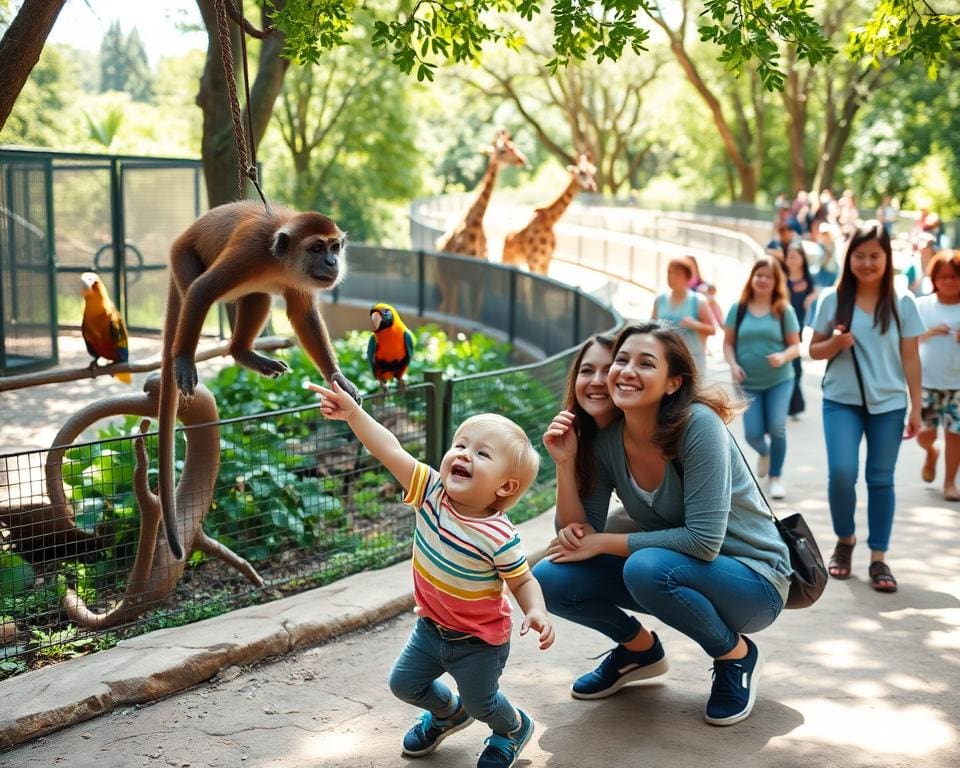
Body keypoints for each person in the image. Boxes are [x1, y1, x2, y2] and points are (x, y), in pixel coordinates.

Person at [533, 322, 792, 727]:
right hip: (680, 570)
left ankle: (736, 655)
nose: (624, 371)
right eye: (622, 360)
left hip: (755, 582)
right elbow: (575, 535)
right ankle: (639, 651)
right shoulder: (606, 442)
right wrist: (565, 464)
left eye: (645, 363)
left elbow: (703, 542)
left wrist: (602, 543)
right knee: (550, 576)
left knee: (647, 566)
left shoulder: (698, 425)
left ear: (673, 383)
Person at [307, 380, 554, 768]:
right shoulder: (430, 492)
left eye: (482, 453)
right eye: (460, 445)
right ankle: (448, 714)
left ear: (505, 486)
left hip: (479, 642)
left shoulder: (499, 536)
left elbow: (522, 580)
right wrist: (353, 413)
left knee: (483, 702)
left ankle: (512, 728)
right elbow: (389, 448)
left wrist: (535, 611)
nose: (464, 454)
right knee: (404, 684)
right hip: (431, 627)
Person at [809, 221, 924, 593]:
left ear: (888, 257)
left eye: (875, 255)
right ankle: (846, 540)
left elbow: (911, 358)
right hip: (841, 399)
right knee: (842, 473)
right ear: (849, 257)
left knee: (880, 479)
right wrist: (836, 344)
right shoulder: (833, 298)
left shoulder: (903, 301)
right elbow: (813, 349)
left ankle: (878, 557)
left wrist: (917, 408)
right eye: (860, 255)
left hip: (889, 403)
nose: (867, 262)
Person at [722, 257, 801, 499]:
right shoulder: (739, 308)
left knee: (777, 427)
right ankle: (765, 452)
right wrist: (733, 365)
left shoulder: (783, 310)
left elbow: (796, 346)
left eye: (768, 276)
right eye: (759, 275)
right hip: (748, 383)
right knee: (753, 434)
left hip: (779, 379)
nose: (763, 280)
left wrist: (782, 356)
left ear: (776, 281)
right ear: (752, 278)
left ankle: (776, 476)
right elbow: (727, 343)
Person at [916, 251, 960, 500]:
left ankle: (950, 482)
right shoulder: (924, 306)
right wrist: (931, 332)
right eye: (943, 277)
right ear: (934, 278)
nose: (949, 281)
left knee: (955, 434)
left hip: (958, 385)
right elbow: (908, 340)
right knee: (925, 434)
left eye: (954, 276)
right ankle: (931, 452)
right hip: (928, 382)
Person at [651, 257, 716, 372]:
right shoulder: (660, 300)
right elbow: (651, 327)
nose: (672, 277)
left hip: (692, 361)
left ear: (687, 278)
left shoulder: (698, 301)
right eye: (669, 273)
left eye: (677, 274)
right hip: (665, 359)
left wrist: (695, 325)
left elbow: (712, 330)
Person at [782, 241, 818, 418]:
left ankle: (795, 406)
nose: (791, 260)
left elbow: (814, 290)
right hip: (782, 326)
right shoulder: (781, 277)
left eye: (794, 256)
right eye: (789, 256)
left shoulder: (807, 277)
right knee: (786, 364)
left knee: (796, 365)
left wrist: (810, 297)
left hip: (799, 326)